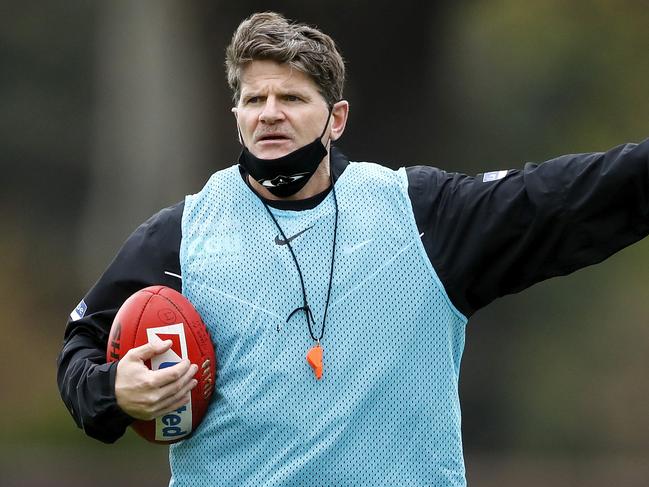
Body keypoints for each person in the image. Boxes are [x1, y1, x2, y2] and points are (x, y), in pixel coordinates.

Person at [57, 11, 649, 487]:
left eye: (291, 98)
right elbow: (81, 347)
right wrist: (115, 391)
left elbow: (562, 199)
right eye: (254, 100)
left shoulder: (418, 213)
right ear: (235, 114)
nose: (270, 114)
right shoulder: (182, 234)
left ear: (335, 118)